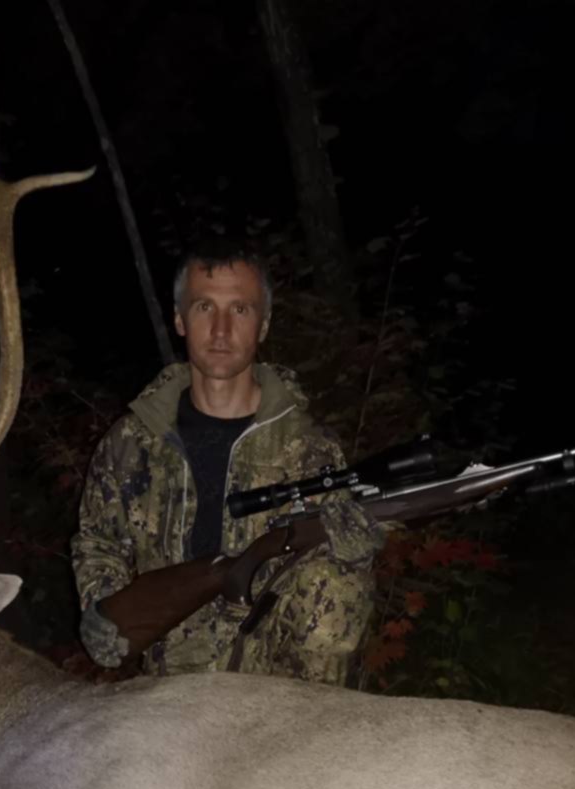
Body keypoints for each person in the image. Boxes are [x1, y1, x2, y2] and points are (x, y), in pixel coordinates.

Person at [71, 245, 381, 684]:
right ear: (179, 320)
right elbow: (98, 542)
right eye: (203, 307)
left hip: (282, 686)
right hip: (168, 684)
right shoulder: (132, 441)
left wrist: (355, 558)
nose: (220, 330)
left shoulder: (310, 449)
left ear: (264, 325)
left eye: (240, 309)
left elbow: (332, 599)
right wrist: (102, 604)